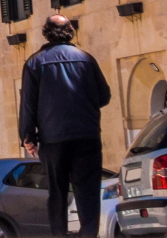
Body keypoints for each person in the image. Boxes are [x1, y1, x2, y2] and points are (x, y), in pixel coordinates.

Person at [19, 14, 111, 238]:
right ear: (70, 31)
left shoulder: (34, 62)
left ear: (46, 33)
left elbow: (28, 104)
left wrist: (27, 136)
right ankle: (89, 234)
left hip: (53, 139)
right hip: (86, 135)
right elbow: (104, 96)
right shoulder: (86, 59)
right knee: (88, 190)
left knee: (57, 191)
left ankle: (59, 235)